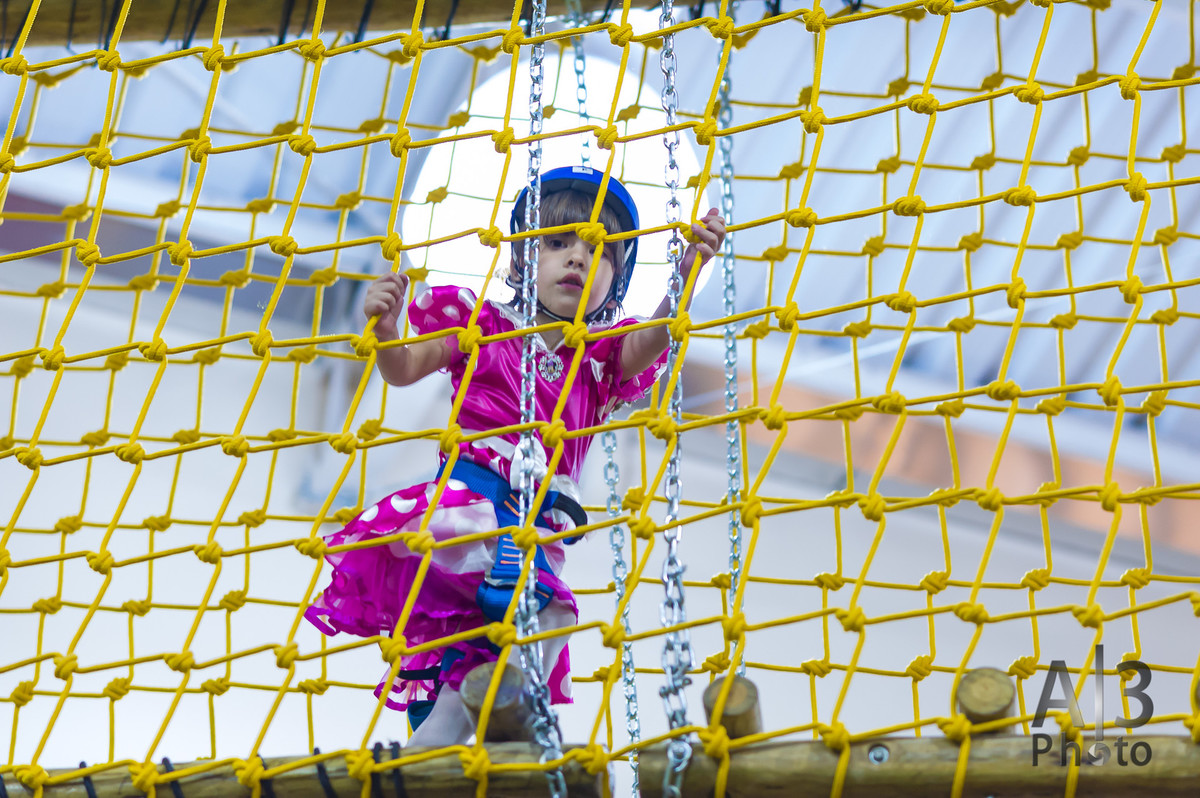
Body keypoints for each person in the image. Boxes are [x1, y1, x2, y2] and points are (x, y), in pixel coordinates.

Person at [305, 165, 726, 746]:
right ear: (520, 260)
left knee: (479, 653)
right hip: (466, 507)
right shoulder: (480, 324)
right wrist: (384, 328)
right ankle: (500, 720)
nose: (577, 259)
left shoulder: (599, 360)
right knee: (543, 614)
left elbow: (652, 338)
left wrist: (682, 281)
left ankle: (445, 741)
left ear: (616, 280)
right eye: (557, 244)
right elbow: (403, 369)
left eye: (599, 253)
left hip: (537, 532)